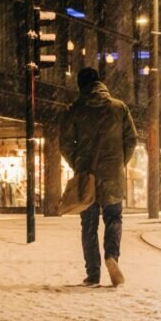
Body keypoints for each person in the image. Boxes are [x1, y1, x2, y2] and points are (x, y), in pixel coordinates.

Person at [60, 67, 137, 286]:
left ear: (81, 86)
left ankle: (93, 273)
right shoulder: (119, 108)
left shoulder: (74, 110)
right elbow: (131, 139)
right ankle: (111, 256)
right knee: (113, 218)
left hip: (87, 176)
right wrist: (118, 163)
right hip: (113, 175)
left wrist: (78, 164)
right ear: (100, 83)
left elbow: (65, 143)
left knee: (89, 224)